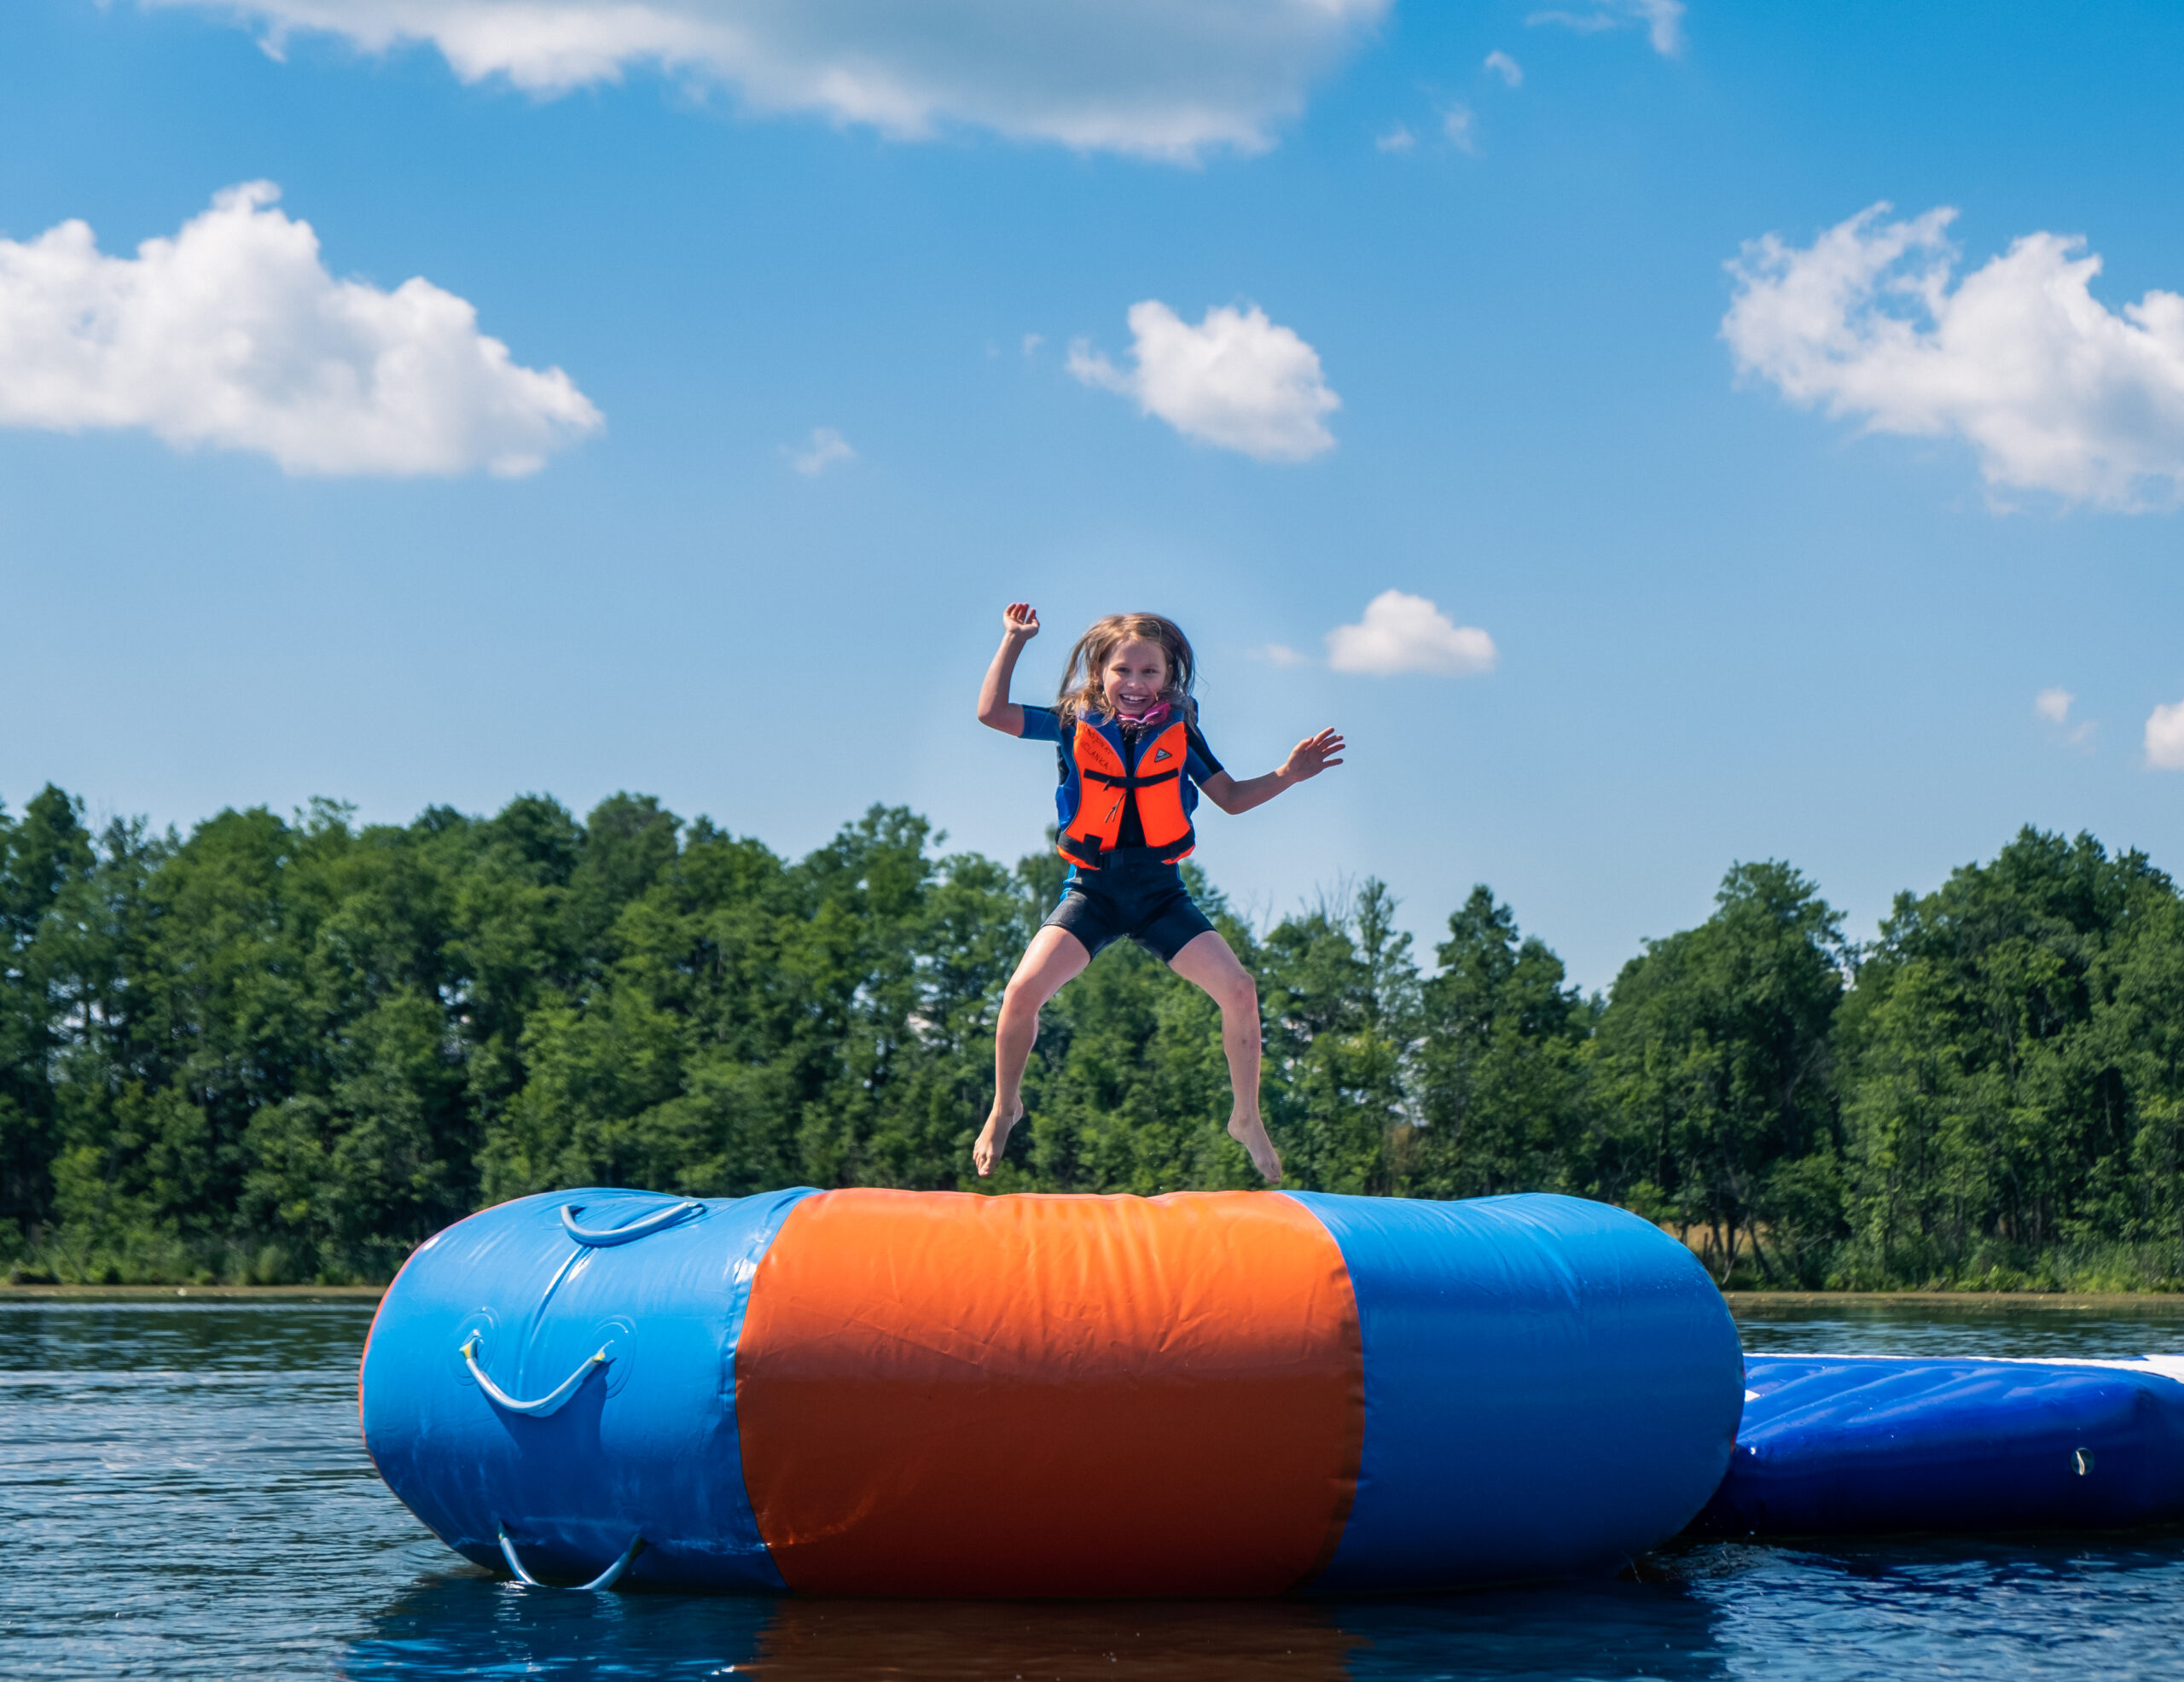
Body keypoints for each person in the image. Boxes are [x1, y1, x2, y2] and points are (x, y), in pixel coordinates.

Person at [973, 602, 1345, 1184]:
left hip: (1158, 896)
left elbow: (1230, 796)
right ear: (1099, 673)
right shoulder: (1072, 721)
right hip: (1092, 893)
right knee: (1020, 992)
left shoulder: (1180, 732)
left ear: (1170, 679)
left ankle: (1246, 1117)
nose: (1136, 684)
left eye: (1151, 673)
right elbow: (992, 713)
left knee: (1240, 990)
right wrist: (1015, 640)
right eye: (1124, 670)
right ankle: (1005, 1105)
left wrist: (1288, 774)